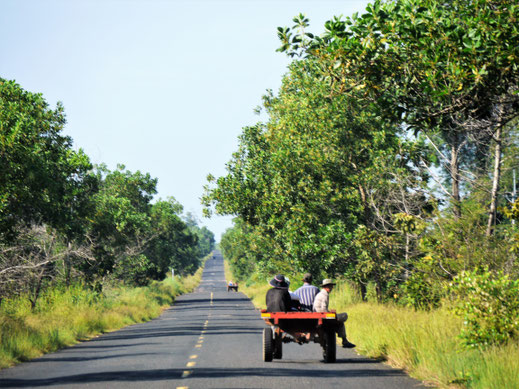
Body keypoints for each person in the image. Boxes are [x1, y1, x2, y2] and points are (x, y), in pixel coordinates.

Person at [313, 279, 356, 348]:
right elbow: (323, 309)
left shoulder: (321, 294)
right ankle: (344, 340)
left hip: (319, 314)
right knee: (342, 317)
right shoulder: (325, 295)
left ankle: (344, 339)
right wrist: (330, 314)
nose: (332, 288)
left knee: (339, 317)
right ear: (327, 287)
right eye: (331, 286)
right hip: (322, 315)